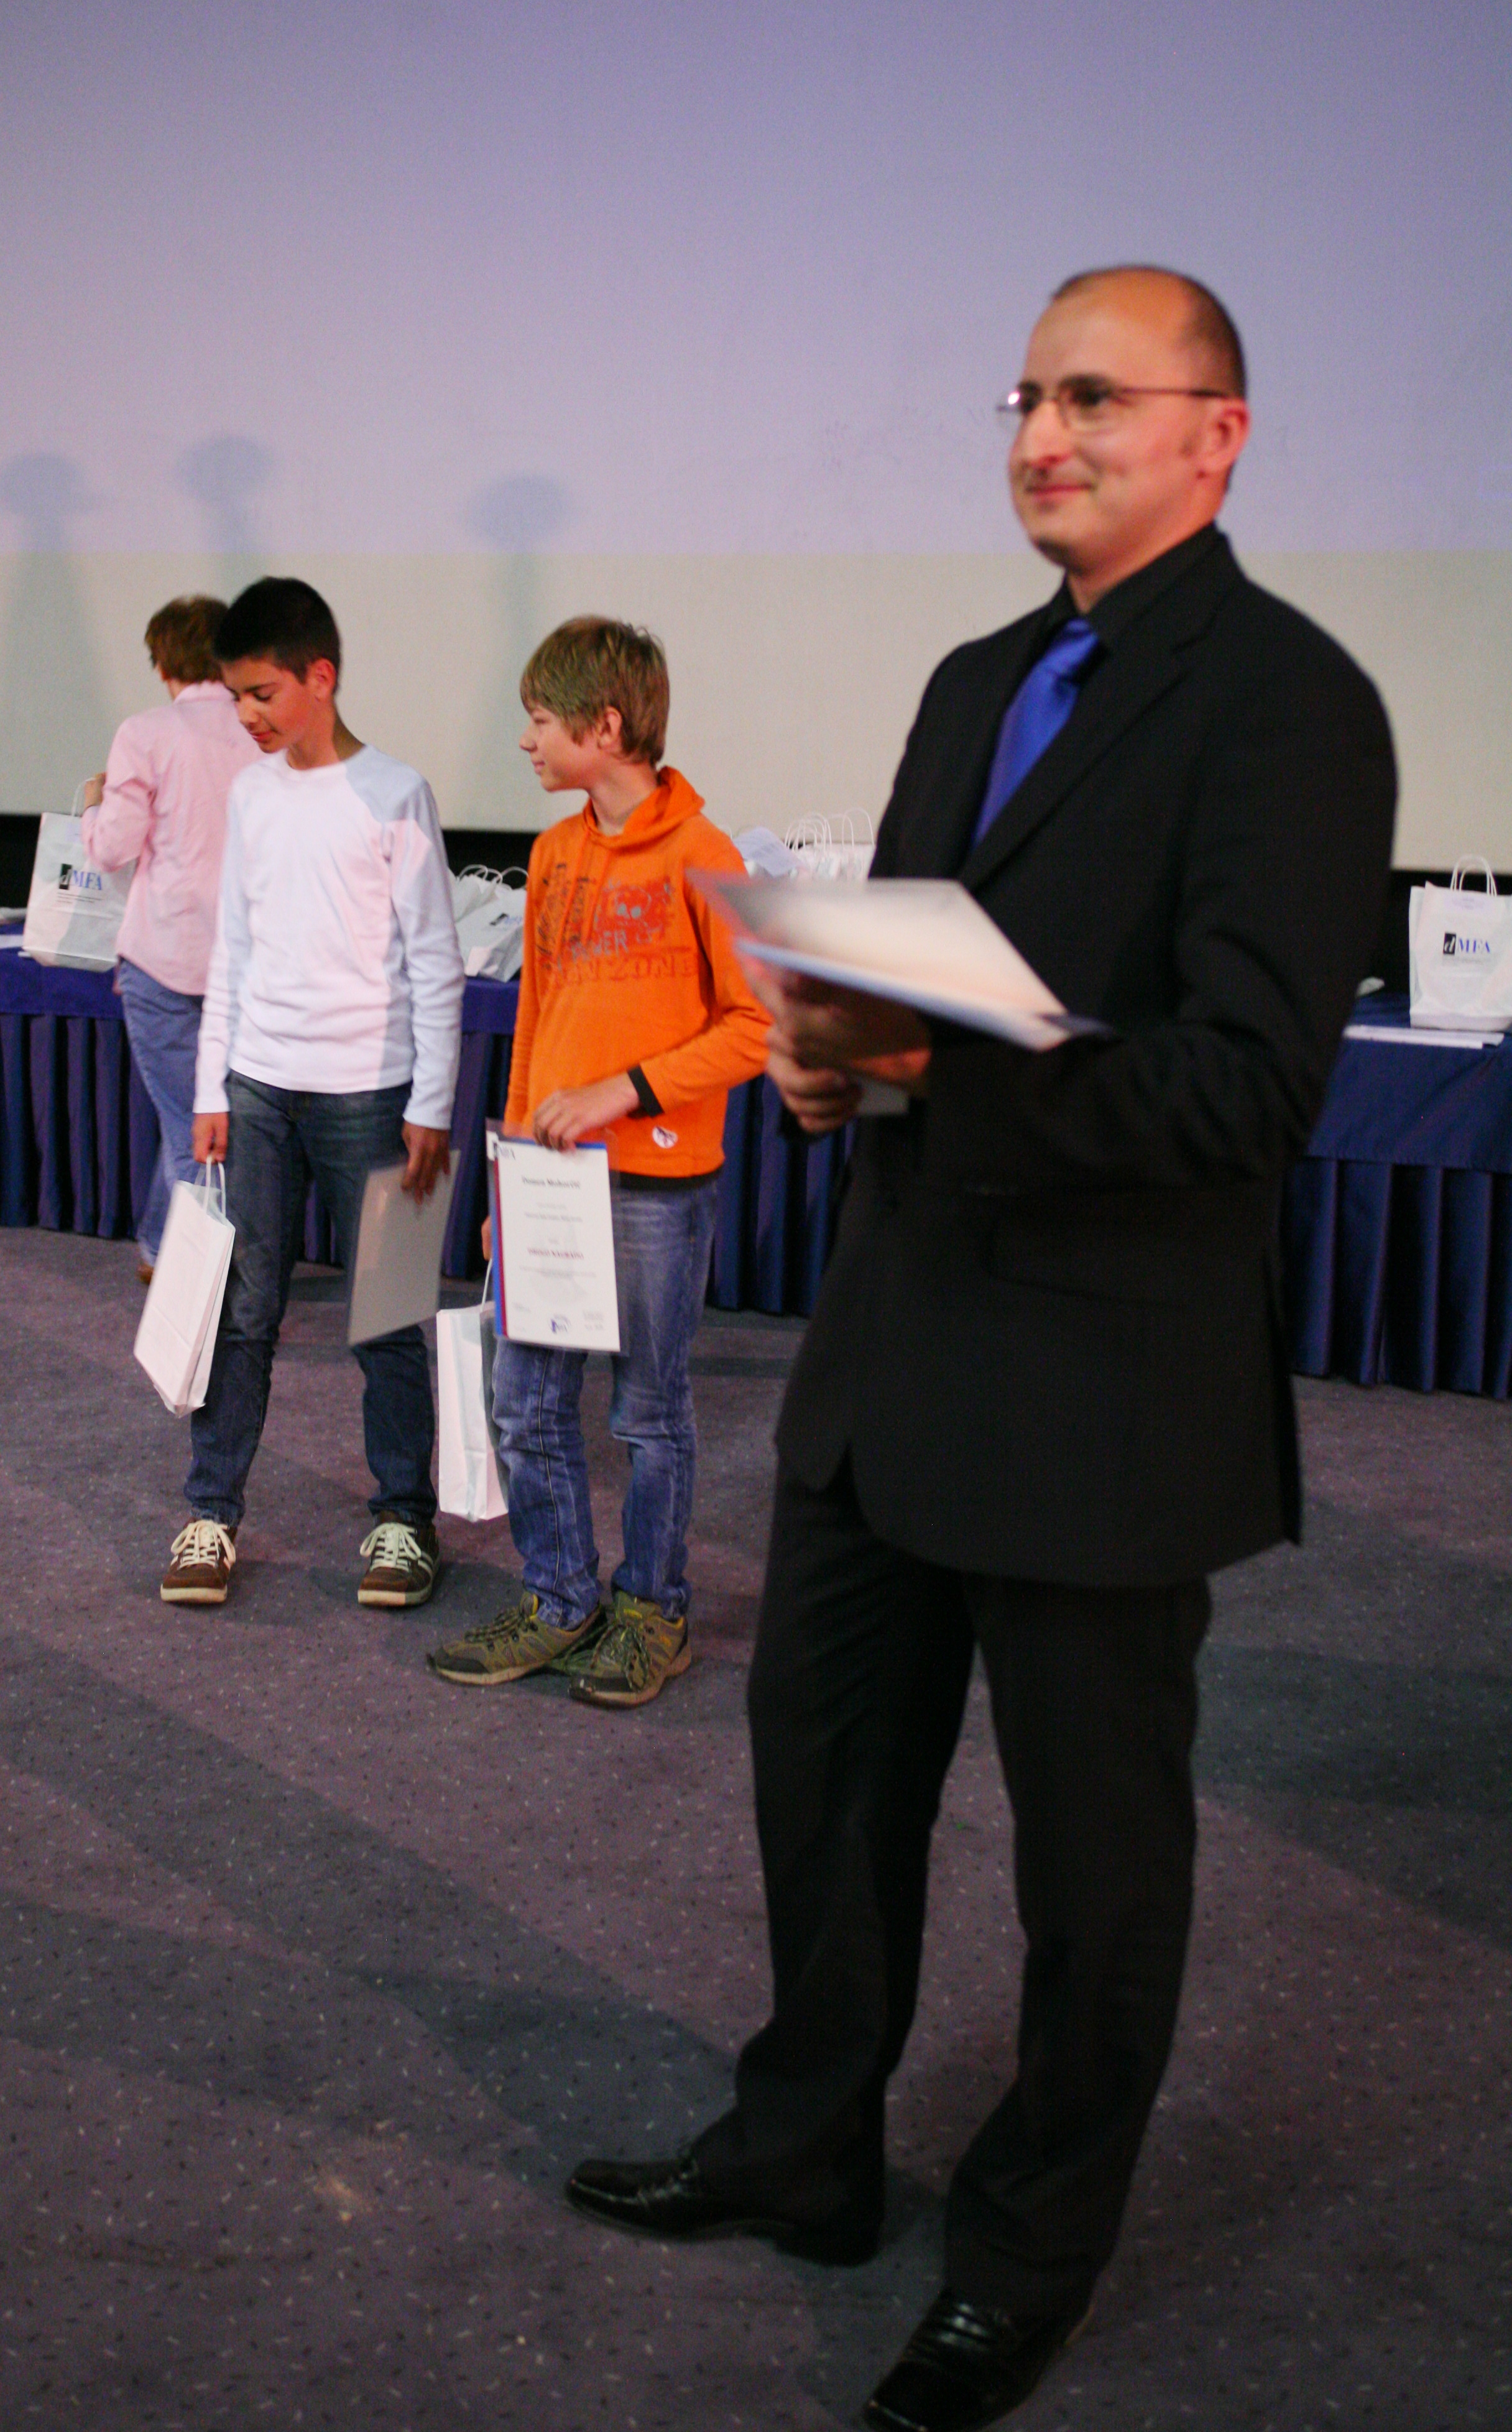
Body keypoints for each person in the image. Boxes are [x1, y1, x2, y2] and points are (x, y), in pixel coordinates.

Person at [563, 269, 1397, 2432]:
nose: (1042, 432)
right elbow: (914, 985)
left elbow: (1244, 1089)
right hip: (893, 1356)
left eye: (1095, 395)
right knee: (821, 1780)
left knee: (1091, 1867)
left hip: (1107, 1394)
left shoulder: (1289, 704)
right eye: (1026, 393)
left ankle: (1028, 2250)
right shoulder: (970, 679)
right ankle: (805, 2143)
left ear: (1216, 434)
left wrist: (944, 1076)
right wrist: (831, 1062)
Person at [427, 618, 770, 1707]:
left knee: (648, 1415)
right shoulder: (553, 855)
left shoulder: (706, 856)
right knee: (525, 1402)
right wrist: (508, 1169)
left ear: (605, 725)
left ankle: (653, 1611)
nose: (526, 739)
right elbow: (534, 1018)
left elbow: (757, 1027)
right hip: (547, 1182)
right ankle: (560, 1598)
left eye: (540, 719)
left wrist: (625, 1090)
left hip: (657, 1187)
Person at [160, 577, 465, 1614]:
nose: (246, 716)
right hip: (257, 1090)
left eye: (262, 694)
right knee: (245, 1309)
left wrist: (431, 1104)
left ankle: (405, 1519)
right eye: (236, 697)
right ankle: (211, 1511)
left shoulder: (395, 792)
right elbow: (234, 947)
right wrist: (213, 1082)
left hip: (372, 1096)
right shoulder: (251, 794)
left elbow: (435, 960)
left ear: (319, 677)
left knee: (388, 1311)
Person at [80, 596, 256, 1277]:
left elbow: (111, 849)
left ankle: (193, 1281)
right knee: (199, 1119)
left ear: (162, 665)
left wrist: (94, 805)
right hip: (250, 960)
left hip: (163, 957)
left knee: (191, 1127)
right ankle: (162, 1247)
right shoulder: (264, 731)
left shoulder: (146, 733)